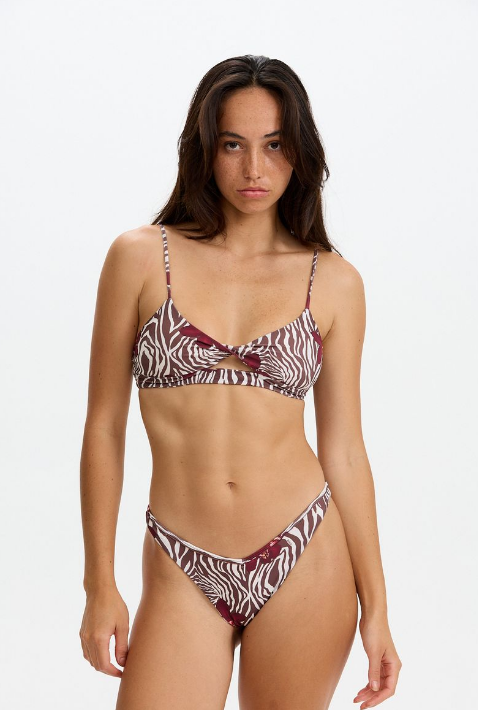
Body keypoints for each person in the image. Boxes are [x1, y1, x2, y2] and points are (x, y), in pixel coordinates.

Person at [79, 54, 402, 710]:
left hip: (305, 554)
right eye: (233, 145)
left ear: (300, 152)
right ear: (205, 149)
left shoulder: (334, 281)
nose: (254, 169)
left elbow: (344, 449)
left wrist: (378, 609)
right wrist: (99, 584)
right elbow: (104, 427)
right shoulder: (140, 258)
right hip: (181, 561)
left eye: (274, 145)